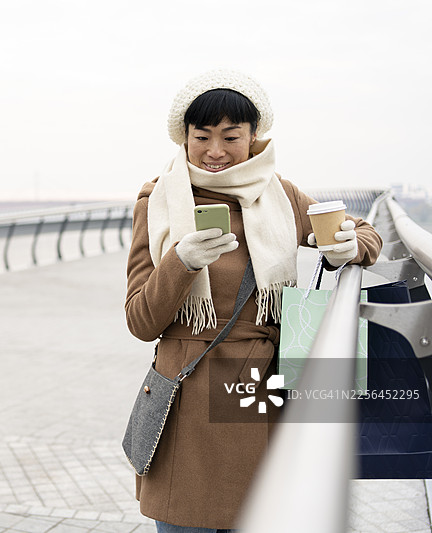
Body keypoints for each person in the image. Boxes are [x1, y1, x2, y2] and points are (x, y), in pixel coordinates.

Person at [124, 69, 383, 532]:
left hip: (257, 392)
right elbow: (141, 321)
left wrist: (348, 247)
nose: (215, 151)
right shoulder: (156, 200)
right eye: (202, 136)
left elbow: (364, 232)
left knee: (260, 515)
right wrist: (180, 262)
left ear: (253, 135)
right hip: (186, 397)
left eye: (231, 136)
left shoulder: (279, 195)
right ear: (184, 137)